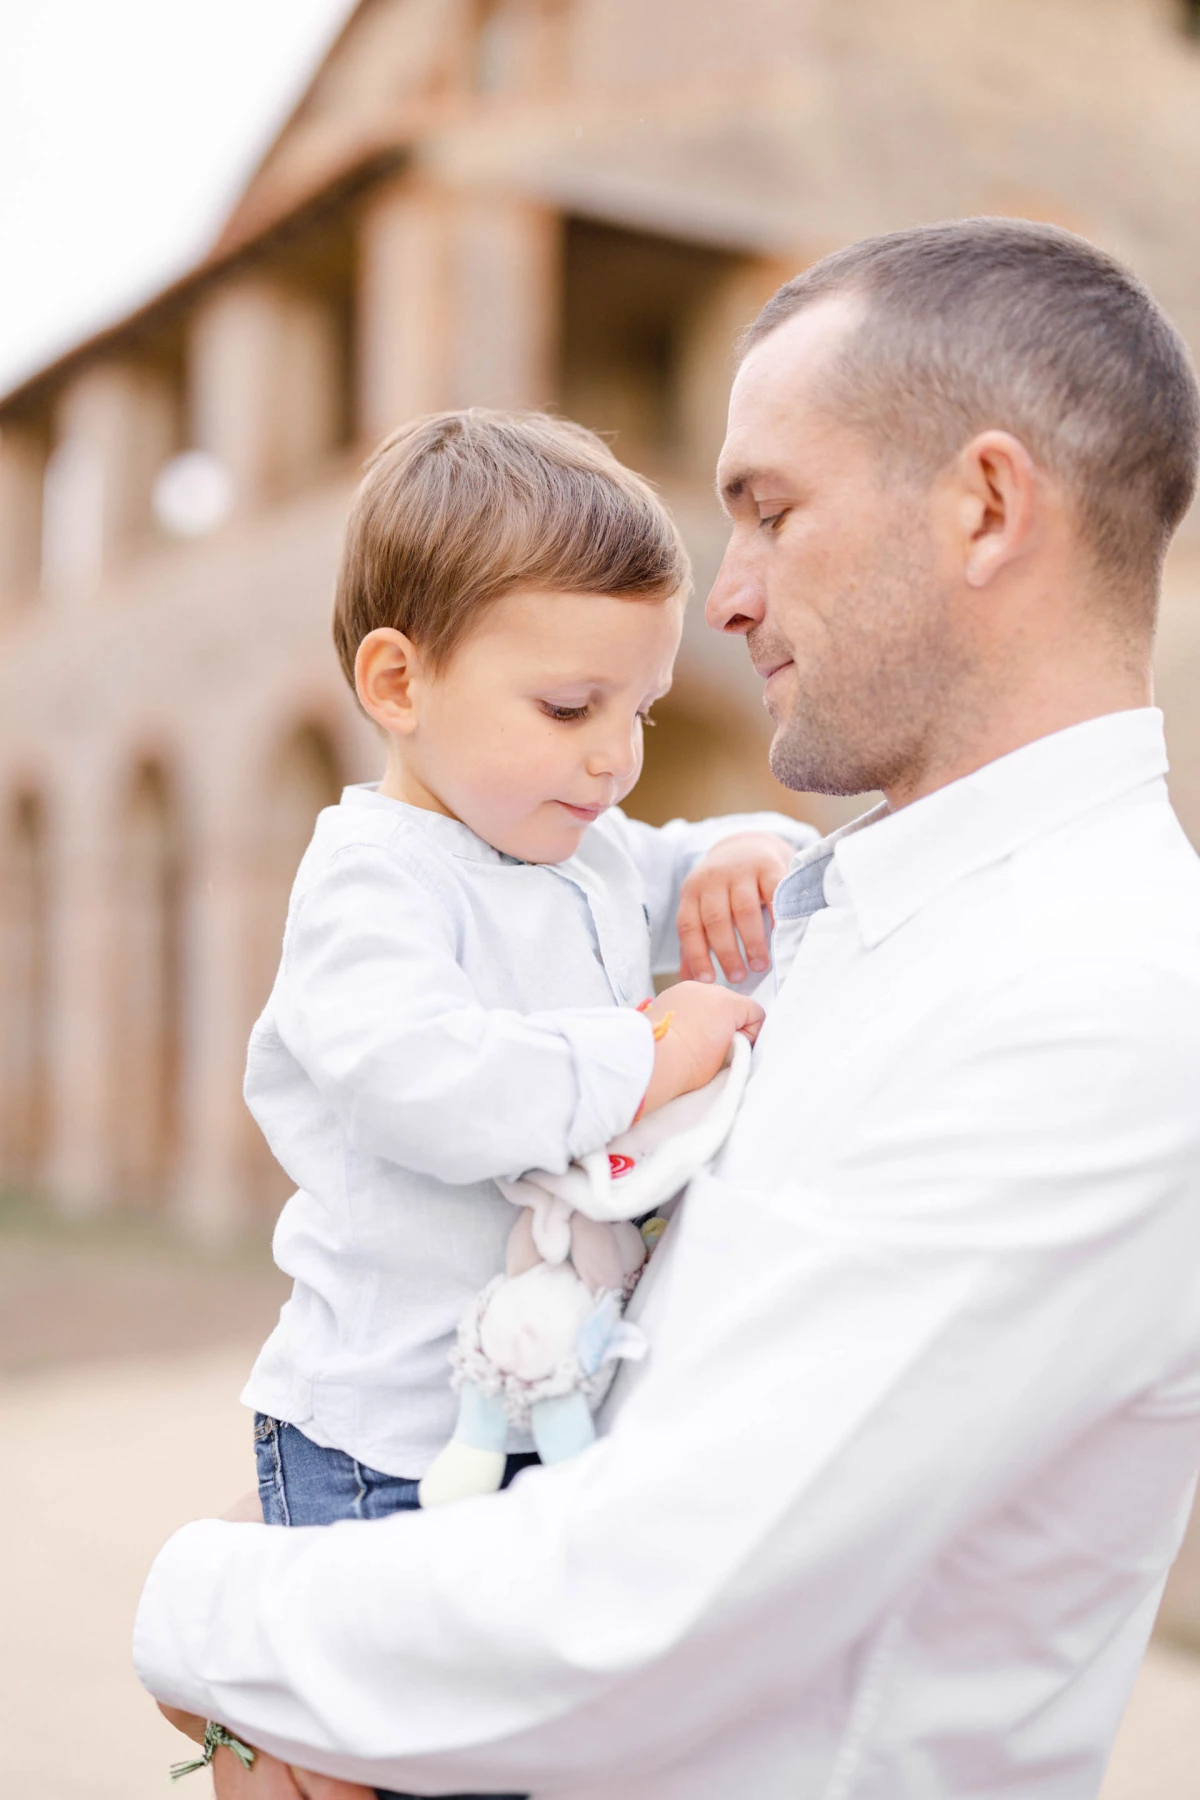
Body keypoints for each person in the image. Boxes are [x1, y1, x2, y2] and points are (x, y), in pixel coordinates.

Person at [137, 219, 1200, 1800]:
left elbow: (641, 1608)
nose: (729, 599)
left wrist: (213, 1616)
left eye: (769, 511)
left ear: (986, 508)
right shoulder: (849, 913)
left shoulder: (1101, 993)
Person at [237, 408, 810, 1537]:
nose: (615, 755)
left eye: (637, 711)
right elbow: (424, 1081)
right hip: (381, 1443)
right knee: (382, 1698)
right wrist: (646, 1054)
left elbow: (691, 855)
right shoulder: (373, 881)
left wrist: (749, 851)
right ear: (399, 683)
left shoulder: (580, 842)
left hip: (538, 1402)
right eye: (567, 708)